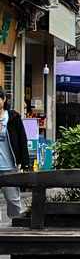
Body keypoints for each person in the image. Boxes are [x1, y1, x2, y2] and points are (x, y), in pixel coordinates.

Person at [0, 88, 30, 222]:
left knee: (12, 199)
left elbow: (22, 140)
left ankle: (16, 224)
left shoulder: (13, 118)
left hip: (9, 167)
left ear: (4, 99)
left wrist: (25, 163)